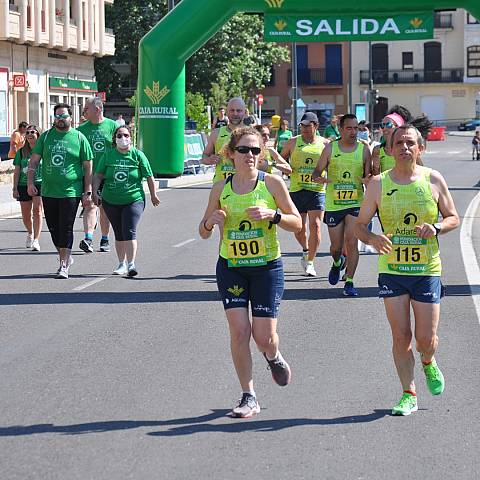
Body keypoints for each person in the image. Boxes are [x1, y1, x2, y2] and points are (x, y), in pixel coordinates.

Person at [355, 124, 459, 415]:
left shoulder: (433, 180)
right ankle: (408, 394)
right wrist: (373, 238)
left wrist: (436, 226)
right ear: (389, 149)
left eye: (410, 143)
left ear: (420, 148)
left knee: (425, 339)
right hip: (393, 270)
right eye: (398, 142)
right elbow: (360, 226)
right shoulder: (377, 184)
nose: (404, 147)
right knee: (401, 336)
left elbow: (453, 218)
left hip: (426, 269)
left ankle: (428, 360)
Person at [199, 126, 301, 418]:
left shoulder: (272, 184)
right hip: (231, 267)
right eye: (244, 150)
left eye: (256, 150)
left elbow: (297, 223)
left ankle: (273, 355)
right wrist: (211, 222)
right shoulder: (221, 188)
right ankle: (248, 395)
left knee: (264, 336)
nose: (250, 156)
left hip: (266, 267)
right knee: (239, 331)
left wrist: (275, 215)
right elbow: (203, 231)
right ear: (230, 154)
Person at [27, 103, 93, 279]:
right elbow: (33, 161)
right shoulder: (46, 137)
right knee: (54, 228)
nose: (60, 120)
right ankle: (65, 256)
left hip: (71, 191)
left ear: (70, 117)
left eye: (63, 116)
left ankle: (63, 264)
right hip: (48, 191)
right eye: (57, 116)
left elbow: (88, 167)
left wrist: (87, 191)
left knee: (66, 227)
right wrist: (30, 182)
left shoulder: (79, 138)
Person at [312, 113, 372, 296]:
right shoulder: (330, 148)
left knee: (351, 242)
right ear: (341, 129)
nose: (354, 132)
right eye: (349, 128)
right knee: (336, 247)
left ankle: (350, 281)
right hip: (334, 204)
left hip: (355, 202)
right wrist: (321, 180)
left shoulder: (364, 149)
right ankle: (337, 262)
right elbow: (316, 173)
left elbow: (370, 177)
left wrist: (367, 179)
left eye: (356, 128)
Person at [92, 125, 160, 277]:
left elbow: (149, 176)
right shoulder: (108, 155)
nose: (123, 138)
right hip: (111, 200)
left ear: (131, 138)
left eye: (126, 135)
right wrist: (95, 192)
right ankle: (121, 263)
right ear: (115, 139)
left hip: (133, 199)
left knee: (129, 230)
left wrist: (153, 195)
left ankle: (131, 264)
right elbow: (98, 175)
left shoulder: (138, 155)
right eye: (120, 136)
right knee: (119, 232)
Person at [281, 112, 328, 276]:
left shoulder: (325, 144)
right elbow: (281, 159)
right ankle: (306, 249)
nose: (305, 129)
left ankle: (310, 262)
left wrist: (327, 179)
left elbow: (332, 166)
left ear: (316, 126)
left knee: (315, 226)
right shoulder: (293, 142)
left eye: (308, 126)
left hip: (316, 190)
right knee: (299, 228)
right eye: (302, 125)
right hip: (297, 189)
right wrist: (285, 168)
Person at [77, 97, 118, 253]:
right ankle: (88, 239)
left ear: (98, 109)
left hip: (106, 175)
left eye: (87, 108)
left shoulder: (112, 126)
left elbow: (120, 149)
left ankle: (105, 238)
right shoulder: (81, 130)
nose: (84, 111)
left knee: (104, 208)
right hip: (88, 175)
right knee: (89, 205)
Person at [12, 125, 43, 251]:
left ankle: (36, 239)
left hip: (39, 183)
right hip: (23, 185)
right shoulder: (21, 152)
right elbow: (17, 170)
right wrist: (14, 188)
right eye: (28, 132)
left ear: (38, 135)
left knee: (37, 211)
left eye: (33, 132)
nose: (30, 134)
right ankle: (30, 232)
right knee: (26, 215)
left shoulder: (43, 150)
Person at [202, 97, 247, 183]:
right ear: (227, 112)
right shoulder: (216, 133)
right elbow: (204, 156)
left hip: (245, 186)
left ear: (245, 112)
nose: (235, 114)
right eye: (232, 110)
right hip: (221, 186)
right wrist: (209, 159)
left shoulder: (252, 134)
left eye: (239, 111)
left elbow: (263, 162)